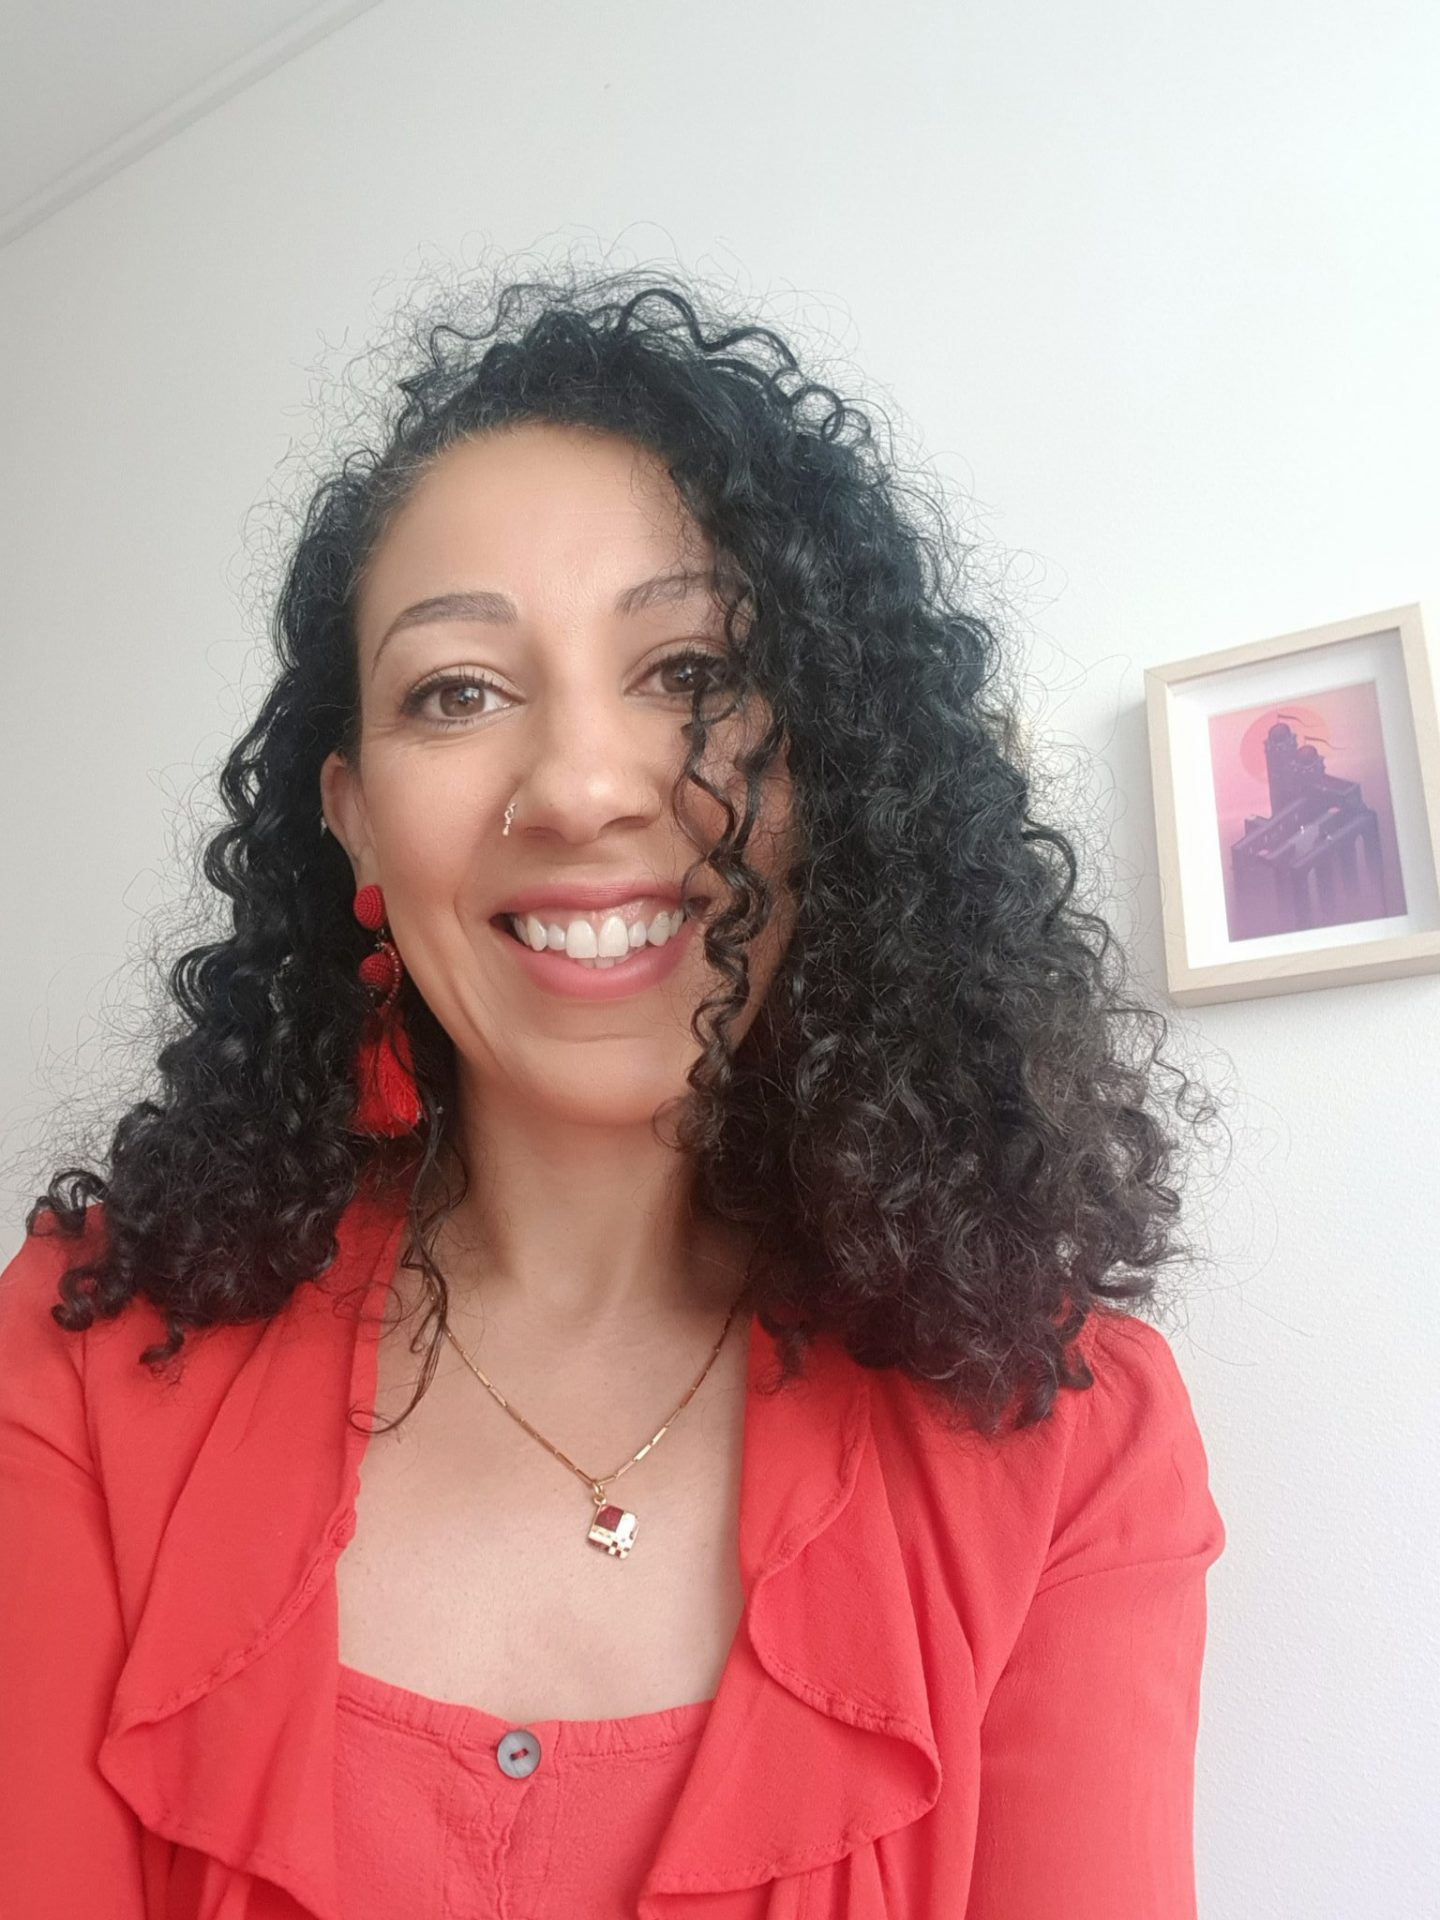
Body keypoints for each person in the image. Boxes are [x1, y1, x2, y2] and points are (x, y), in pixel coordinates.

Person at [0, 264, 1226, 1919]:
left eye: (688, 671)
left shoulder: (1070, 1433)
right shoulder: (83, 1351)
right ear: (354, 815)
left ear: (829, 766)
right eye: (459, 691)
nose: (581, 786)